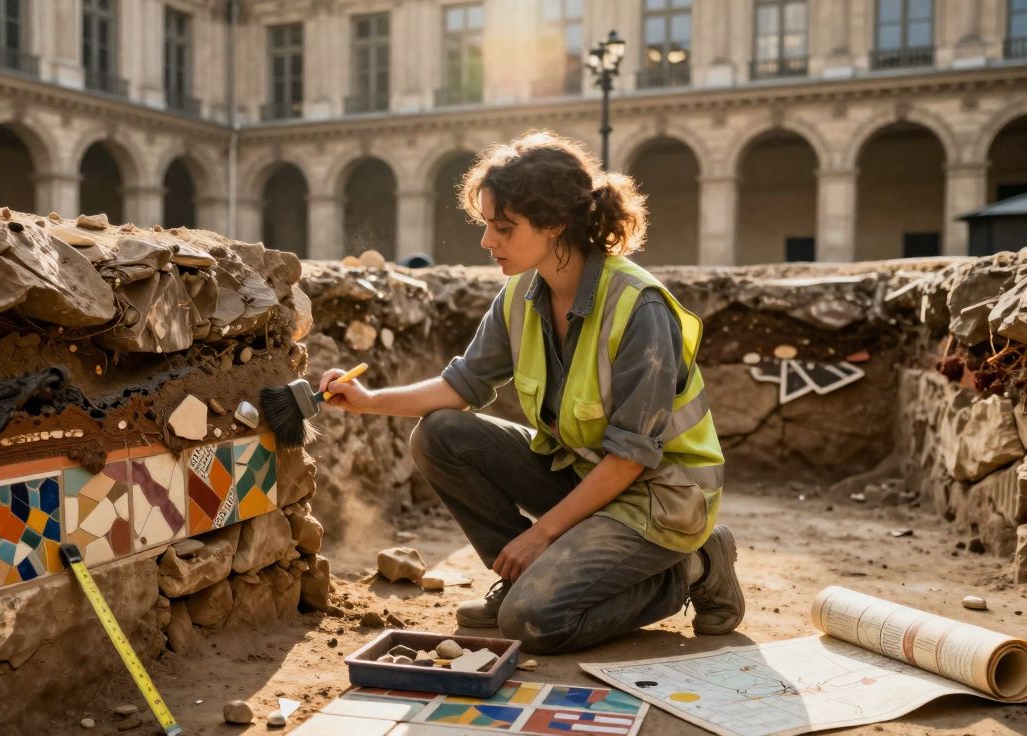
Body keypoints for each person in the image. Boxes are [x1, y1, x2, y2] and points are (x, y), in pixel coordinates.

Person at [318, 130, 743, 654]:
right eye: (487, 226)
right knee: (441, 435)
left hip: (660, 498)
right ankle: (525, 581)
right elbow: (461, 386)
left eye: (503, 227)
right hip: (585, 475)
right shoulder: (521, 293)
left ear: (555, 224)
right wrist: (370, 399)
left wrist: (540, 535)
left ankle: (692, 568)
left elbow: (630, 458)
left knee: (534, 623)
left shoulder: (640, 308)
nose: (486, 241)